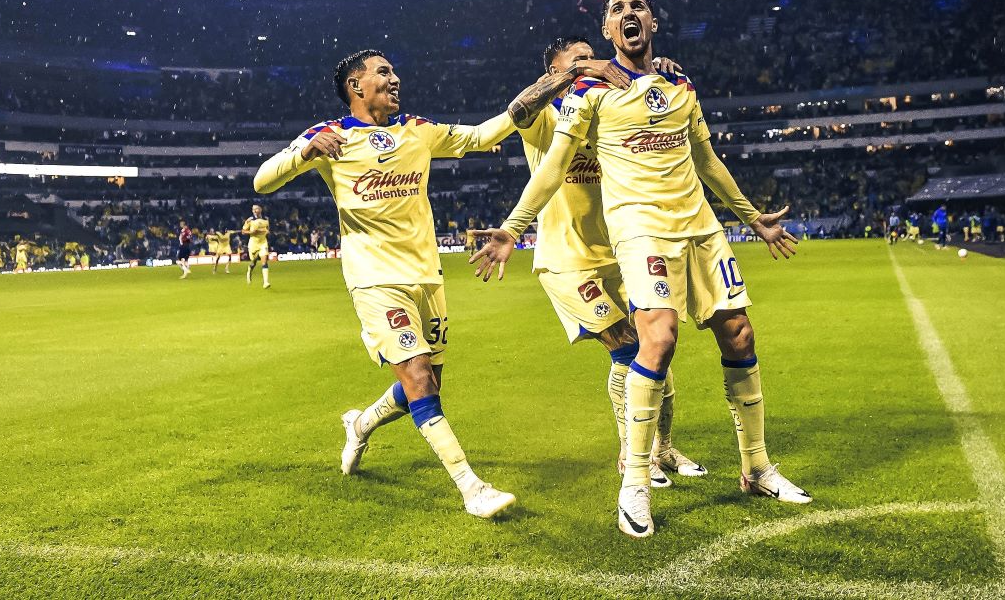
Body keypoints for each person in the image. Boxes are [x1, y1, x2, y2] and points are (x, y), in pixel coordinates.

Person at [470, 0, 808, 539]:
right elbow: (555, 161)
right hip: (639, 229)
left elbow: (707, 160)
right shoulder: (587, 90)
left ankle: (756, 467)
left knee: (740, 335)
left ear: (653, 20)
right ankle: (634, 481)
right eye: (617, 9)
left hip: (700, 227)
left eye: (638, 6)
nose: (629, 14)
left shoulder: (681, 85)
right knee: (657, 339)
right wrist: (513, 226)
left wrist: (752, 219)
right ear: (608, 31)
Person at [253, 48, 625, 519]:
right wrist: (304, 152)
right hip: (373, 278)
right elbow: (262, 182)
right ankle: (471, 488)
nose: (395, 78)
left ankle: (361, 424)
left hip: (427, 276)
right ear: (356, 86)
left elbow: (483, 133)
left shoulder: (417, 129)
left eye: (394, 69)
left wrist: (548, 86)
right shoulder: (330, 136)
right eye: (383, 72)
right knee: (418, 377)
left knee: (425, 388)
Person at [506, 35, 704, 489]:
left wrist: (658, 71)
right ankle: (629, 457)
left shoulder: (606, 107)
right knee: (629, 349)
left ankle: (664, 448)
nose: (593, 64)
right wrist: (571, 76)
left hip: (619, 252)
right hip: (567, 260)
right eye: (577, 61)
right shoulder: (548, 118)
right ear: (555, 74)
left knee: (660, 353)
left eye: (591, 56)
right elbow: (516, 110)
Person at [241, 205, 271, 288]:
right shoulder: (250, 220)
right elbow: (243, 231)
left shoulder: (266, 219)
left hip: (263, 242)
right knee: (253, 262)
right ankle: (249, 270)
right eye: (253, 209)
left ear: (260, 209)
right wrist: (251, 232)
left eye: (256, 209)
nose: (254, 211)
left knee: (264, 261)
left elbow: (268, 229)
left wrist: (266, 231)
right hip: (253, 243)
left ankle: (265, 282)